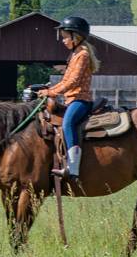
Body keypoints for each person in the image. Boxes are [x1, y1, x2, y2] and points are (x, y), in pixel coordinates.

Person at [38, 16, 98, 178]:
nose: (63, 41)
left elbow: (73, 81)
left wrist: (51, 93)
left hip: (80, 100)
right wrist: (48, 90)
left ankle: (73, 167)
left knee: (68, 123)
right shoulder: (74, 55)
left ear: (76, 37)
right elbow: (65, 81)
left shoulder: (82, 55)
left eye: (65, 37)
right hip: (71, 99)